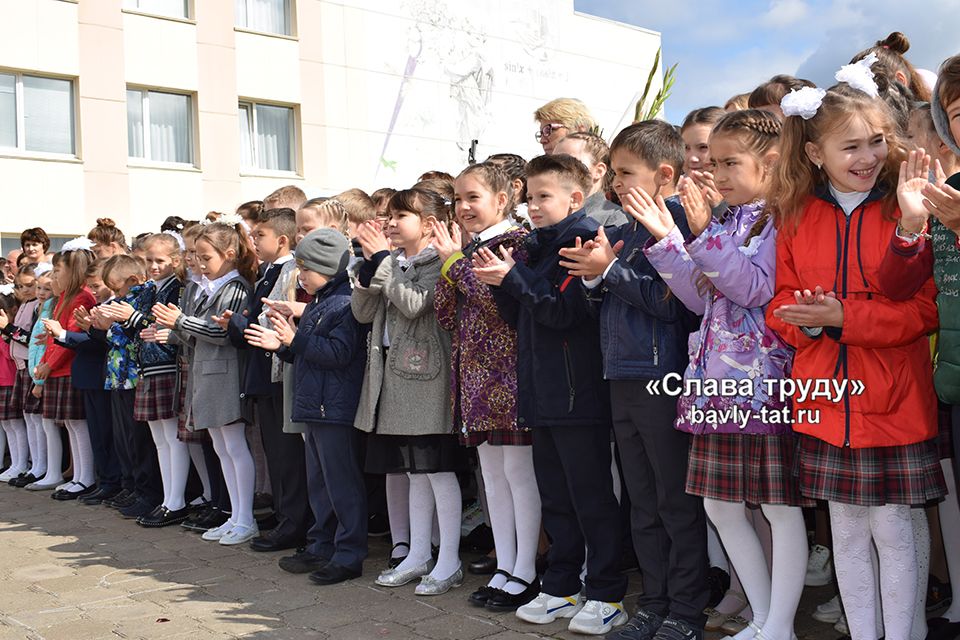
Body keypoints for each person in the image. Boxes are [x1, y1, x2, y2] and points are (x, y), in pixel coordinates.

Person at [765, 79, 946, 640]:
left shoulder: (907, 205)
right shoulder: (794, 215)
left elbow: (918, 309)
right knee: (843, 529)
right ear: (815, 154)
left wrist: (909, 231)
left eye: (876, 141)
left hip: (892, 399)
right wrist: (807, 321)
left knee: (894, 527)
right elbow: (779, 303)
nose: (867, 157)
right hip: (825, 398)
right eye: (850, 147)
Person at [647, 110, 809, 640]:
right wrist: (670, 241)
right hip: (717, 386)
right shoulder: (728, 218)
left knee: (780, 507)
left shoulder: (783, 217)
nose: (716, 173)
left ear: (770, 161)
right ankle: (762, 616)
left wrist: (700, 233)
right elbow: (700, 296)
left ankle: (779, 622)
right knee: (719, 502)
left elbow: (756, 289)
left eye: (729, 162)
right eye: (712, 162)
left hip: (764, 386)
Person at [557, 120, 708, 640]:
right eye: (614, 173)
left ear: (664, 175)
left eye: (625, 173)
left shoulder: (684, 225)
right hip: (619, 375)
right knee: (641, 501)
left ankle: (686, 610)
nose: (615, 184)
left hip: (663, 377)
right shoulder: (619, 231)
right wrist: (595, 275)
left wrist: (610, 272)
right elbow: (606, 307)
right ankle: (654, 603)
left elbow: (672, 306)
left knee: (674, 499)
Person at [474, 154, 626, 635]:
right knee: (556, 496)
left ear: (575, 198)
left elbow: (564, 312)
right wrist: (504, 281)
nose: (533, 207)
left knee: (591, 497)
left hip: (578, 393)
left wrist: (513, 279)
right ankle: (561, 585)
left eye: (544, 197)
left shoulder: (581, 240)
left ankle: (606, 592)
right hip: (541, 392)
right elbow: (520, 314)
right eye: (529, 197)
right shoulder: (534, 245)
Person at [433, 162, 540, 612]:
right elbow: (447, 314)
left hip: (510, 378)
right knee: (492, 478)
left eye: (472, 197)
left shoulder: (517, 243)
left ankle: (527, 569)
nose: (463, 207)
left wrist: (455, 264)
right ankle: (506, 563)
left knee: (519, 474)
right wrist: (451, 265)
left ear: (503, 200)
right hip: (475, 378)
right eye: (458, 199)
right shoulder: (468, 248)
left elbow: (499, 305)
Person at [351, 188, 466, 596]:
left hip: (427, 378)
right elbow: (364, 313)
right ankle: (418, 554)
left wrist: (383, 263)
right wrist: (371, 270)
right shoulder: (395, 261)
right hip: (394, 378)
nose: (391, 223)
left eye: (402, 216)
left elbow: (415, 303)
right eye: (391, 216)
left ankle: (449, 559)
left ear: (430, 223)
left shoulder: (440, 262)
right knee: (413, 471)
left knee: (437, 468)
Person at [246, 228, 369, 585]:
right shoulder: (319, 301)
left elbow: (338, 354)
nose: (300, 276)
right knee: (319, 483)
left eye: (306, 269)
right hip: (315, 407)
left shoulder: (344, 303)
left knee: (342, 484)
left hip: (334, 409)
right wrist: (281, 345)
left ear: (328, 269)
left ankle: (349, 554)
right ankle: (320, 544)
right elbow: (308, 354)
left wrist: (294, 339)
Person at [153, 218, 256, 546]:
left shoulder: (236, 287)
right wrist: (172, 332)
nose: (199, 263)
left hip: (225, 374)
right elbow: (196, 333)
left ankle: (246, 518)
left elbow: (223, 333)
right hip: (205, 374)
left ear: (228, 254)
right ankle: (235, 515)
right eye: (195, 256)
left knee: (235, 446)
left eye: (205, 257)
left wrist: (180, 322)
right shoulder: (205, 287)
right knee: (222, 447)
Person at [223, 208, 310, 552]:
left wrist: (245, 323)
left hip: (281, 368)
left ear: (282, 239)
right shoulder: (267, 271)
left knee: (288, 455)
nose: (254, 242)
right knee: (275, 451)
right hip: (264, 370)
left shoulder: (290, 270)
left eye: (260, 235)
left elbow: (277, 317)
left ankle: (295, 522)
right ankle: (282, 513)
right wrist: (237, 323)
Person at [36, 242, 98, 499]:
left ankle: (86, 478)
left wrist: (50, 364)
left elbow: (71, 337)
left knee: (78, 423)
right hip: (58, 371)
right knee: (71, 425)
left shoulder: (82, 297)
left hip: (69, 370)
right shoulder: (65, 297)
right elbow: (58, 336)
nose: (53, 277)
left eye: (57, 271)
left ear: (73, 272)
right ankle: (79, 477)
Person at [1, 264, 45, 487]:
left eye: (30, 285)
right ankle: (30, 464)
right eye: (19, 286)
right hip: (21, 367)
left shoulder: (39, 307)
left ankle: (39, 466)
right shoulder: (24, 306)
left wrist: (7, 328)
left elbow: (31, 339)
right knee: (29, 419)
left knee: (36, 420)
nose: (25, 290)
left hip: (31, 365)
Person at [553, 133, 628, 226]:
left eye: (569, 162)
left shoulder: (614, 218)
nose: (556, 170)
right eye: (552, 164)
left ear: (599, 171)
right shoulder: (548, 214)